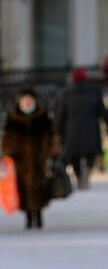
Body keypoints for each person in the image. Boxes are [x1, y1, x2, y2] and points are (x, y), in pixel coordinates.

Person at [3, 88, 60, 230]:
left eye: (30, 99)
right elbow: (7, 137)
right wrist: (7, 153)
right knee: (23, 189)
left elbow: (52, 135)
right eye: (25, 99)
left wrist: (52, 151)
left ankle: (39, 216)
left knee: (39, 188)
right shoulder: (14, 116)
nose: (27, 102)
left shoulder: (42, 115)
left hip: (39, 158)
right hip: (20, 160)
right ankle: (28, 218)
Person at [55, 68, 106, 189]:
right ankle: (87, 172)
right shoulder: (95, 92)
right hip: (91, 128)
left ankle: (79, 176)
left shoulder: (65, 94)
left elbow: (60, 115)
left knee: (74, 156)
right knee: (90, 154)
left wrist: (57, 130)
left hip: (71, 130)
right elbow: (103, 112)